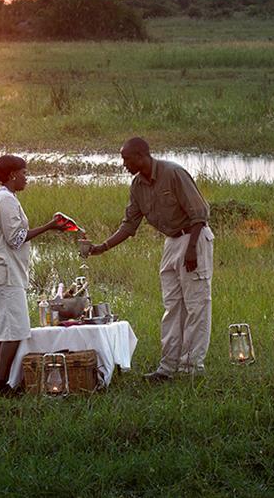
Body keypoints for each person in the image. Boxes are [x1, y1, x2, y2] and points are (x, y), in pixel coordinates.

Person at [81, 137, 213, 382]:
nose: (124, 164)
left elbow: (199, 215)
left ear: (142, 156)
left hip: (193, 237)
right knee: (172, 307)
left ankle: (192, 368)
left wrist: (192, 249)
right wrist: (101, 247)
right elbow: (129, 225)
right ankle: (167, 368)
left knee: (196, 306)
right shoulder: (137, 185)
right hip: (172, 241)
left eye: (126, 159)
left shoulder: (173, 173)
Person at [0, 154, 68, 396]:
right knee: (15, 331)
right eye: (24, 173)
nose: (27, 177)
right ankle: (1, 384)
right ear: (12, 175)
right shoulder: (6, 200)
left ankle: (4, 382)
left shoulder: (1, 198)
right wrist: (50, 226)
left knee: (5, 332)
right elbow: (16, 239)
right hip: (5, 275)